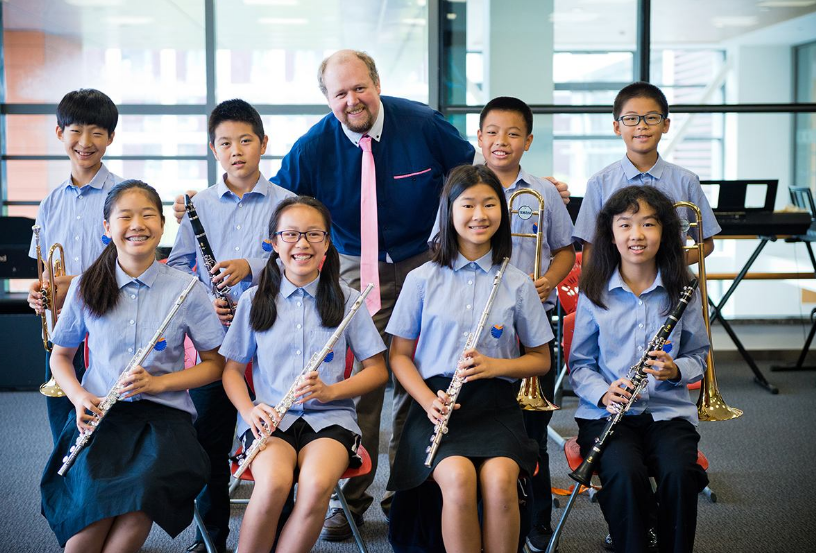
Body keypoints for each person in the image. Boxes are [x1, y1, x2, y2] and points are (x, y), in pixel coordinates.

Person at [40, 180, 226, 553]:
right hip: (101, 418)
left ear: (162, 224)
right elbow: (60, 356)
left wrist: (159, 383)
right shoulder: (86, 286)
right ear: (107, 227)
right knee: (84, 536)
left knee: (139, 503)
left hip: (164, 423)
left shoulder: (187, 289)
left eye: (147, 215)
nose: (137, 225)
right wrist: (78, 397)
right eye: (125, 216)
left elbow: (215, 365)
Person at [386, 165, 552, 552]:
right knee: (458, 479)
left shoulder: (517, 282)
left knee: (500, 481)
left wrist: (498, 366)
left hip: (496, 405)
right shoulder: (421, 279)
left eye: (489, 204)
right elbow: (399, 356)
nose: (479, 215)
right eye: (468, 205)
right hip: (437, 404)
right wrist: (427, 400)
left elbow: (541, 359)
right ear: (449, 211)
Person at [219, 196, 388, 553]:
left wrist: (331, 391)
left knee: (315, 487)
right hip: (269, 420)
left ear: (326, 242)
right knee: (272, 486)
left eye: (314, 234)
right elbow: (232, 371)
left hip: (331, 420)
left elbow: (377, 371)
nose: (302, 243)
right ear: (274, 242)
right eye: (291, 234)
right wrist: (249, 410)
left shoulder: (348, 299)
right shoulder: (253, 300)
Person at [167, 98, 294, 553]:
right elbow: (178, 267)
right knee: (208, 441)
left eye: (245, 140)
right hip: (216, 343)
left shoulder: (287, 203)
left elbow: (302, 266)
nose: (236, 151)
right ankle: (210, 538)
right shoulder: (197, 205)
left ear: (264, 143)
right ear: (213, 149)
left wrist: (252, 267)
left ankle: (277, 536)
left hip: (273, 341)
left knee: (278, 436)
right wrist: (206, 302)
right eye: (225, 143)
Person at [569, 185, 710, 553]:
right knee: (623, 473)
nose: (637, 235)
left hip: (668, 413)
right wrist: (603, 392)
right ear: (610, 234)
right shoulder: (594, 290)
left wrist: (675, 370)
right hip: (607, 415)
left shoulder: (684, 289)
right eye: (625, 225)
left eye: (648, 224)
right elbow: (579, 365)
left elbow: (699, 356)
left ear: (664, 232)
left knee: (680, 474)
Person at [27, 88, 123, 445]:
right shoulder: (50, 202)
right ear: (59, 133)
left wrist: (78, 283)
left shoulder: (124, 196)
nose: (85, 142)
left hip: (109, 325)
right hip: (63, 331)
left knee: (107, 429)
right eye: (76, 131)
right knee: (63, 429)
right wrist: (39, 292)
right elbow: (46, 271)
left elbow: (136, 265)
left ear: (110, 137)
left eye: (96, 132)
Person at [573, 82, 720, 265]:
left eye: (651, 118)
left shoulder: (686, 181)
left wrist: (670, 265)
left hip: (670, 282)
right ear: (617, 127)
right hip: (615, 282)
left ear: (666, 124)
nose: (642, 125)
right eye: (631, 118)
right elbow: (590, 247)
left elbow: (706, 243)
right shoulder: (599, 183)